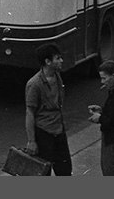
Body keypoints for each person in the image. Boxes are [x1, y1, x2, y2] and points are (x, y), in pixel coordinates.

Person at [24, 43, 72, 175]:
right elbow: (29, 113)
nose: (61, 61)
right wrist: (32, 141)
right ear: (47, 61)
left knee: (65, 170)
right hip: (44, 134)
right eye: (58, 58)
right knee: (43, 172)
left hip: (59, 131)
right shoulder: (34, 84)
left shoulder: (57, 77)